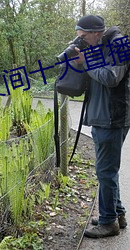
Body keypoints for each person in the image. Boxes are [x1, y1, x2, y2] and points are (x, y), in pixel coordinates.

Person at [74, 15, 130, 238]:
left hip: (112, 118)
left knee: (105, 171)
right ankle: (117, 214)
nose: (82, 41)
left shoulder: (120, 45)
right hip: (103, 117)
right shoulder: (101, 45)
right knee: (108, 171)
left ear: (96, 32)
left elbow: (110, 77)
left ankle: (108, 223)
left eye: (84, 37)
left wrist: (86, 62)